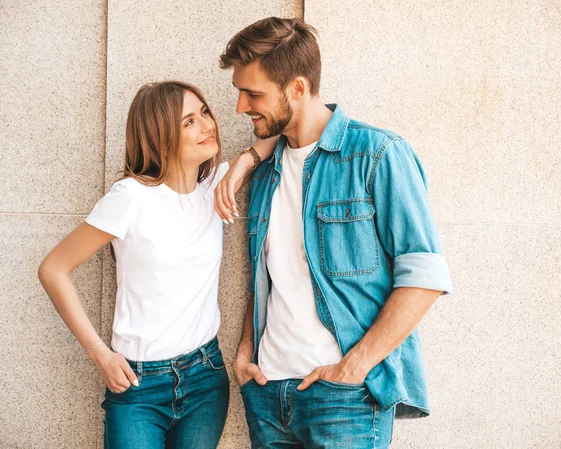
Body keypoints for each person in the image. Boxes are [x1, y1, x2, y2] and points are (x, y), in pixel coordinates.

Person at [215, 17, 453, 448]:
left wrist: (355, 367)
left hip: (345, 398)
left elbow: (424, 277)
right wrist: (246, 350)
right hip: (268, 392)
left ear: (298, 88)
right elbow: (264, 277)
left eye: (253, 94)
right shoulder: (266, 172)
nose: (240, 107)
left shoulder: (377, 155)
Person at [38, 80, 276, 449]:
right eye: (188, 122)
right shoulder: (130, 197)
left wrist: (244, 160)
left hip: (205, 378)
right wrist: (98, 352)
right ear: (160, 137)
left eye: (204, 113)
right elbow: (53, 269)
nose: (207, 125)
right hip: (138, 386)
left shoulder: (215, 185)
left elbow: (279, 134)